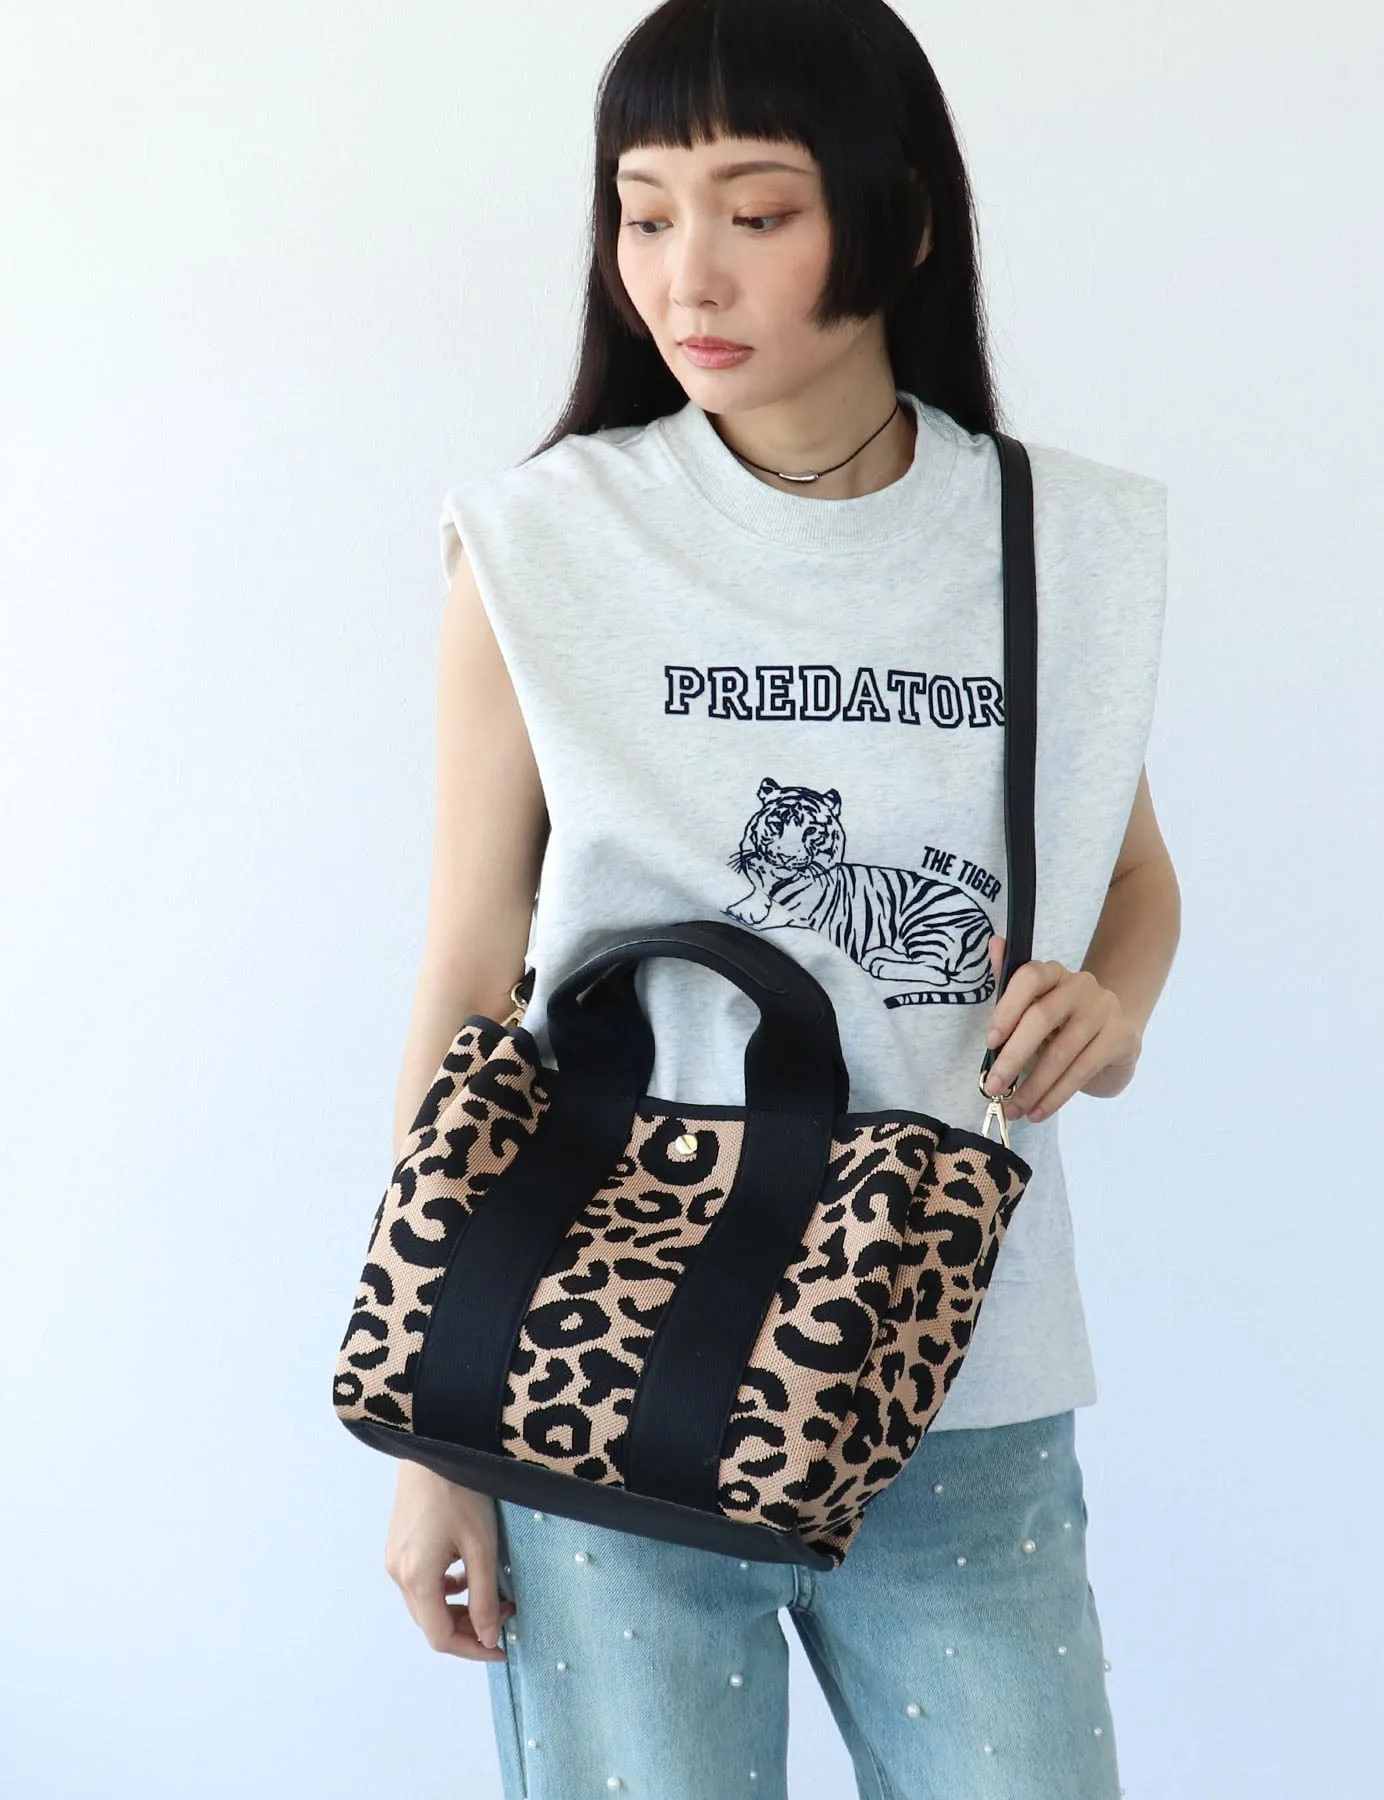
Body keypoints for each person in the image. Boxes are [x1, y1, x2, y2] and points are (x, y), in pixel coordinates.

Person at [379, 2, 1180, 1794]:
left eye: (756, 211)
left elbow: (1130, 876)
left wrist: (1114, 1007)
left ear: (897, 219)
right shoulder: (539, 545)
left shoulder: (1059, 541)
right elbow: (467, 972)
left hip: (959, 1380)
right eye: (644, 212)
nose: (688, 273)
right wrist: (436, 1429)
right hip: (598, 1376)